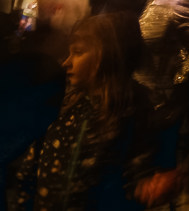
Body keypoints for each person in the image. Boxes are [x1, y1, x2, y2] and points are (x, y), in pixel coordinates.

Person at [5, 11, 172, 208]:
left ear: (107, 57)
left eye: (78, 52)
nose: (66, 62)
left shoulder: (132, 113)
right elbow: (31, 167)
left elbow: (136, 172)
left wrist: (149, 186)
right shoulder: (61, 104)